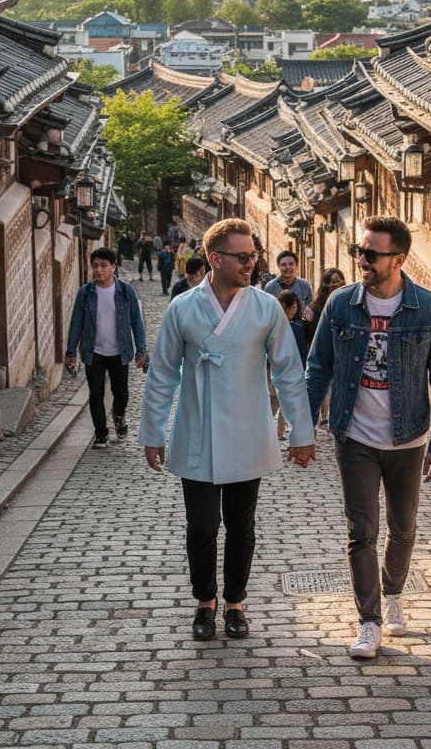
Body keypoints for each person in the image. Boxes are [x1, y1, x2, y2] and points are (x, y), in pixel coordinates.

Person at [140, 218, 316, 642]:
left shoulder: (265, 307)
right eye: (242, 257)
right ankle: (205, 600)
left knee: (241, 525)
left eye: (253, 255)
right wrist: (153, 432)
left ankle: (235, 602)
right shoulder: (183, 308)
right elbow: (163, 373)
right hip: (197, 430)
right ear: (215, 259)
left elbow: (289, 372)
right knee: (201, 526)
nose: (251, 264)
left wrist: (301, 432)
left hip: (248, 430)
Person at [306, 216, 431, 660]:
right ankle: (368, 620)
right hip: (354, 435)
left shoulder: (427, 308)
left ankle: (393, 592)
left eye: (371, 254)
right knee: (361, 529)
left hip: (408, 438)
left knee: (403, 527)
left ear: (399, 259)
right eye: (359, 251)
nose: (362, 261)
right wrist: (301, 425)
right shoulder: (340, 305)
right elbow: (319, 368)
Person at [66, 247, 147, 447]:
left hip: (120, 352)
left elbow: (137, 322)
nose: (99, 270)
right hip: (94, 353)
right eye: (95, 266)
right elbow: (76, 323)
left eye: (103, 265)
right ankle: (101, 433)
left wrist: (141, 351)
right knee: (96, 394)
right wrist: (70, 353)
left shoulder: (125, 291)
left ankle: (118, 416)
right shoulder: (85, 293)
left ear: (113, 267)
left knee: (122, 394)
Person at [303, 267, 347, 426]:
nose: (334, 285)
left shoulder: (349, 304)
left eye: (337, 281)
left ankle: (332, 418)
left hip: (342, 355)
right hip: (321, 353)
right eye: (331, 282)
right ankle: (311, 425)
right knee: (318, 388)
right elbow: (307, 331)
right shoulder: (314, 307)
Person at [263, 250, 313, 322]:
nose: (288, 267)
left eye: (291, 264)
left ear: (296, 266)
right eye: (283, 264)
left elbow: (309, 310)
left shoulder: (305, 285)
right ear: (279, 266)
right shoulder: (270, 287)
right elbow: (266, 313)